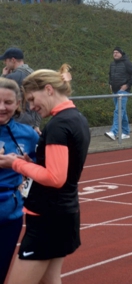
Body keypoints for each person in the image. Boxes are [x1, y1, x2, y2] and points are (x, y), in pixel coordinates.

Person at [0, 70, 90, 284]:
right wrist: (29, 165)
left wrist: (15, 163)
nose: (31, 107)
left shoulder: (59, 125)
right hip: (63, 212)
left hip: (48, 216)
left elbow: (55, 178)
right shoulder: (76, 118)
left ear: (48, 90)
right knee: (49, 281)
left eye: (32, 99)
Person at [0, 78, 39, 282]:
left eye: (8, 102)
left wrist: (23, 165)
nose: (2, 108)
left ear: (17, 104)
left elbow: (41, 169)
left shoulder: (28, 135)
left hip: (9, 215)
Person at [105, 47, 132, 141]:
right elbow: (110, 75)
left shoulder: (127, 63)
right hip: (115, 91)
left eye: (117, 52)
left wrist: (127, 85)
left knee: (118, 111)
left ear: (121, 53)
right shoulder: (112, 64)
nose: (115, 54)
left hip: (123, 91)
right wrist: (110, 83)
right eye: (114, 52)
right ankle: (126, 132)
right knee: (122, 111)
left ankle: (114, 132)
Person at [0, 48, 39, 131]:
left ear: (13, 60)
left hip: (17, 120)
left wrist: (3, 76)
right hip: (31, 120)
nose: (5, 63)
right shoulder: (33, 73)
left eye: (6, 60)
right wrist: (36, 125)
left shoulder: (14, 76)